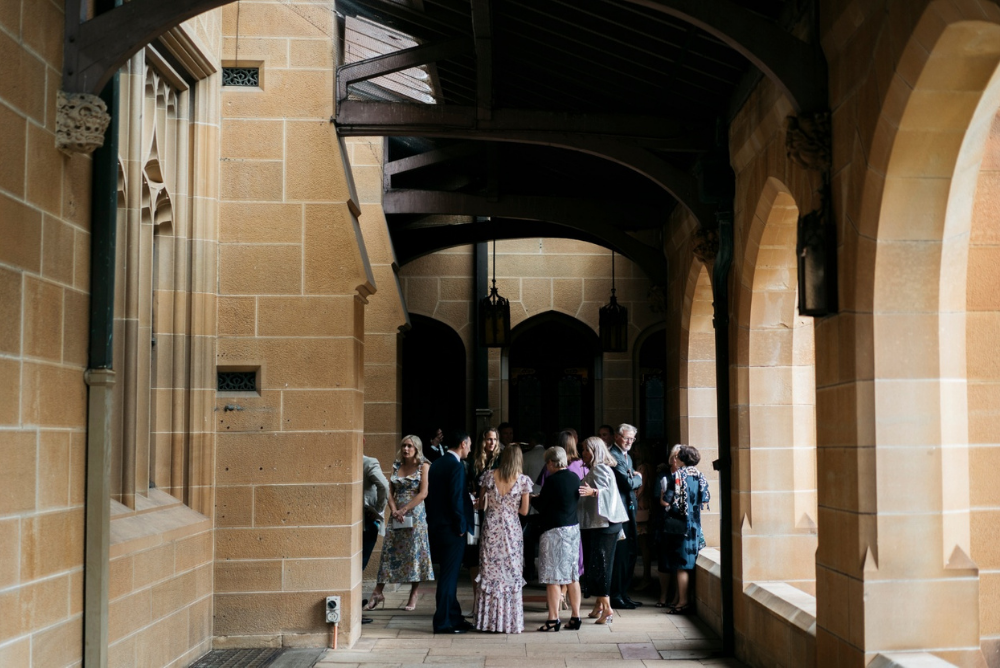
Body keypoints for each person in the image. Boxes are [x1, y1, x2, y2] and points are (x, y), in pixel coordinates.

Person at [367, 436, 434, 612]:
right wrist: (394, 509)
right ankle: (378, 592)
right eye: (404, 445)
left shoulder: (424, 465)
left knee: (414, 553)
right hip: (396, 514)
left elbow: (424, 493)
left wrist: (404, 510)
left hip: (415, 514)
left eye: (409, 446)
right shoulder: (396, 465)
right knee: (389, 551)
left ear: (416, 448)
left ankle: (413, 594)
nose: (405, 449)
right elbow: (389, 490)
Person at [473, 444, 533, 633]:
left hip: (491, 526)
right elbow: (524, 511)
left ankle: (488, 622)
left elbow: (480, 505)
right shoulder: (523, 481)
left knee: (490, 571)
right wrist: (509, 509)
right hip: (511, 530)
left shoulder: (489, 476)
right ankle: (509, 622)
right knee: (511, 571)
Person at [425, 430, 475, 634]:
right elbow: (455, 499)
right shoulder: (455, 466)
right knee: (448, 576)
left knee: (450, 575)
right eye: (469, 444)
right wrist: (461, 526)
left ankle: (454, 617)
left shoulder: (436, 464)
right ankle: (443, 622)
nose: (470, 448)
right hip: (452, 529)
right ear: (463, 444)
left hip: (438, 526)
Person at [577, 436, 629, 625]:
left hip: (604, 525)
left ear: (596, 451)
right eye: (582, 449)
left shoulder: (600, 468)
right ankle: (599, 605)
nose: (583, 453)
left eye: (587, 450)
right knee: (597, 564)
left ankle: (607, 609)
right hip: (600, 525)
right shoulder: (597, 468)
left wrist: (594, 492)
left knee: (602, 565)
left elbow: (609, 492)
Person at [532, 446, 582, 631]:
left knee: (552, 577)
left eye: (547, 463)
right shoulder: (574, 477)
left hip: (554, 531)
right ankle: (576, 617)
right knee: (572, 575)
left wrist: (531, 498)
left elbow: (543, 506)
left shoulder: (552, 481)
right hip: (572, 529)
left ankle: (553, 619)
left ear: (552, 462)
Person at [659, 444, 710, 615]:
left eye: (678, 456)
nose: (676, 458)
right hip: (695, 525)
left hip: (681, 525)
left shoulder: (678, 476)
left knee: (681, 565)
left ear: (682, 459)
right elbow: (704, 499)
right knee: (689, 563)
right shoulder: (700, 476)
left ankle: (683, 602)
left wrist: (663, 496)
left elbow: (667, 501)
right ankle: (680, 600)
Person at [465, 427, 502, 605]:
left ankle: (491, 601)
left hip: (494, 511)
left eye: (494, 439)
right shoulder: (474, 461)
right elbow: (470, 483)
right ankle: (476, 598)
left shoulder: (500, 460)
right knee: (474, 556)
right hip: (477, 509)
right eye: (488, 439)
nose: (491, 443)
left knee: (492, 556)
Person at [609, 423, 643, 609]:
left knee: (630, 553)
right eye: (626, 438)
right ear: (617, 437)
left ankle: (623, 593)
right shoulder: (613, 456)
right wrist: (639, 478)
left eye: (632, 438)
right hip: (619, 512)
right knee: (621, 556)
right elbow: (629, 483)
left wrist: (634, 478)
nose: (630, 441)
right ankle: (616, 595)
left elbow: (630, 480)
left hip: (629, 511)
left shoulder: (627, 456)